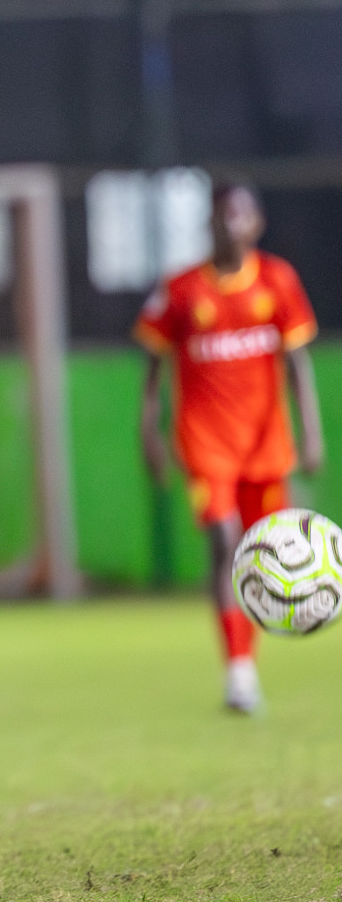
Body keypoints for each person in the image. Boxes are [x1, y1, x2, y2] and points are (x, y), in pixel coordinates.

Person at [136, 180, 324, 714]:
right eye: (220, 216)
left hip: (266, 446)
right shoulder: (178, 289)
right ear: (209, 223)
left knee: (260, 557)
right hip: (205, 444)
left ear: (256, 223)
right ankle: (237, 675)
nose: (229, 225)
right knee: (223, 541)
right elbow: (151, 372)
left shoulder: (277, 281)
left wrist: (313, 434)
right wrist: (148, 432)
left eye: (239, 215)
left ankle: (249, 662)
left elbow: (297, 364)